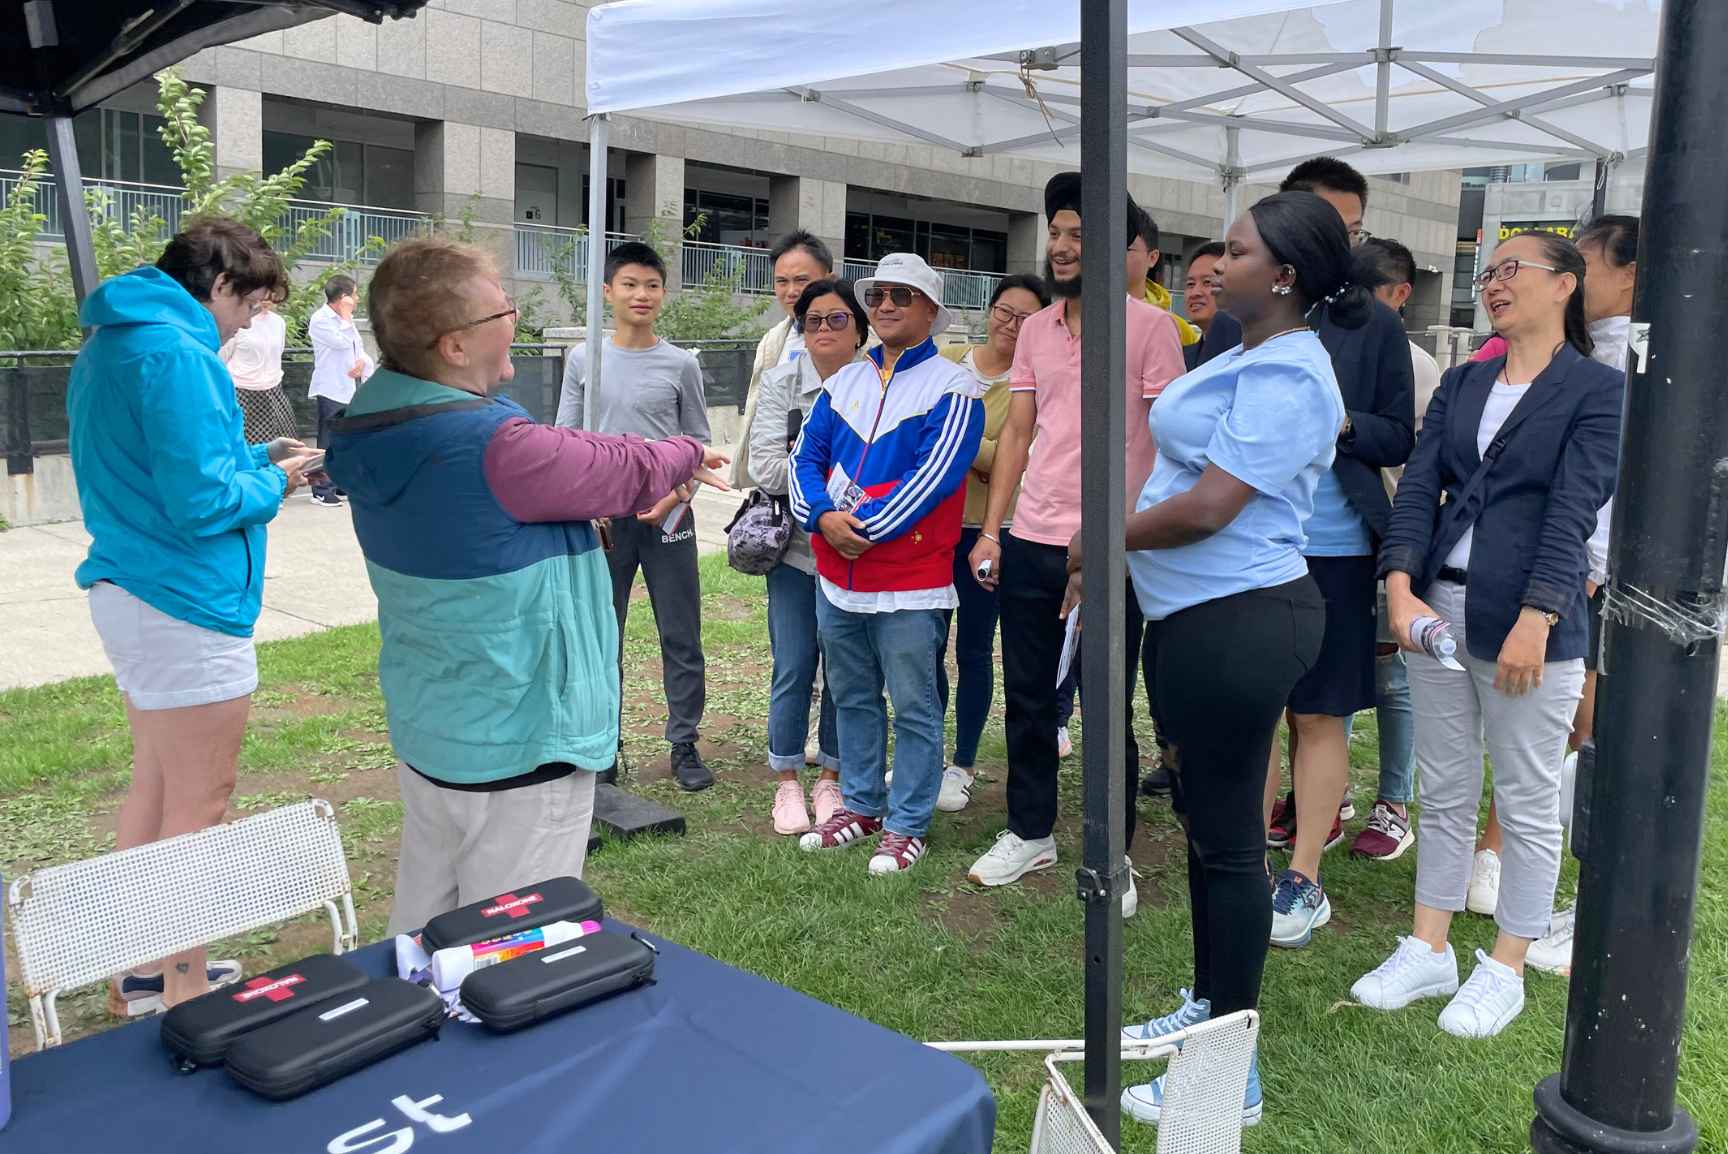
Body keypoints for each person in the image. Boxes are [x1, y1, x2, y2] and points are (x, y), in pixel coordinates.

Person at [324, 237, 726, 933]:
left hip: (439, 729)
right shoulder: (487, 442)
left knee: (427, 924)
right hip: (521, 739)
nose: (516, 320)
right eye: (503, 311)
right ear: (453, 345)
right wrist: (688, 451)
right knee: (513, 949)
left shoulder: (370, 420)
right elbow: (617, 467)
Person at [1098, 190, 1361, 1127]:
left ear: (1283, 274)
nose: (1219, 261)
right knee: (1213, 842)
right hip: (1199, 618)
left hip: (1239, 617)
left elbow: (1211, 507)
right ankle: (1209, 1013)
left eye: (1238, 251)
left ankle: (1230, 1072)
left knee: (1230, 848)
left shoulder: (1292, 376)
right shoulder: (1252, 356)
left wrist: (1105, 537)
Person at [1352, 231, 1622, 1038]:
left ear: (1565, 285)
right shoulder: (1466, 382)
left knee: (1528, 797)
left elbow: (1576, 511)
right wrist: (1401, 589)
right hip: (1438, 608)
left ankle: (1506, 962)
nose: (1495, 284)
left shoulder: (1597, 390)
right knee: (1443, 786)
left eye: (1513, 270)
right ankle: (1428, 943)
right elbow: (1421, 487)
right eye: (1489, 272)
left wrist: (1539, 618)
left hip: (1531, 620)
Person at [67, 217, 316, 1014]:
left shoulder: (117, 341)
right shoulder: (179, 356)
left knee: (157, 787)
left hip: (135, 591)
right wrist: (279, 485)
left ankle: (137, 969)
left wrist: (261, 459)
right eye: (249, 307)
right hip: (183, 599)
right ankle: (183, 984)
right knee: (203, 801)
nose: (247, 325)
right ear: (218, 287)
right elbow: (204, 502)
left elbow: (176, 467)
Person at [965, 172, 1186, 909]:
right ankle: (1030, 831)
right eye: (1055, 234)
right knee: (1026, 694)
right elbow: (1020, 433)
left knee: (1105, 704)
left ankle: (1110, 851)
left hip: (1113, 549)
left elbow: (1159, 446)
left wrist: (1112, 542)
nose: (1060, 248)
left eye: (1077, 235)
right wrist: (993, 529)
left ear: (1120, 248)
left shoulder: (1152, 329)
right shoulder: (1035, 329)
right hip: (1031, 537)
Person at [790, 252, 983, 875]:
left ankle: (907, 823)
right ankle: (865, 804)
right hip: (835, 574)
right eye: (877, 297)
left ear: (931, 309)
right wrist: (821, 518)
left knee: (915, 703)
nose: (886, 306)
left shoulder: (953, 386)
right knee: (850, 694)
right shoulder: (841, 381)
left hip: (909, 579)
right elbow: (804, 460)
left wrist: (859, 529)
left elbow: (933, 479)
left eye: (902, 295)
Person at [1263, 158, 1415, 948]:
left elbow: (1399, 433)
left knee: (1320, 713)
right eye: (1325, 221)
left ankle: (1303, 875)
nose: (1337, 241)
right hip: (1250, 544)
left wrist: (1338, 422)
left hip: (1336, 547)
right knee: (1258, 710)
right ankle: (1245, 863)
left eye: (1349, 229)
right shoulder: (1243, 306)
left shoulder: (1373, 324)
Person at [1518, 212, 1637, 975]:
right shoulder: (1600, 351)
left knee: (1601, 741)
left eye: (1583, 265)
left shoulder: (1630, 358)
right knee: (1585, 737)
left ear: (1629, 272)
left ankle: (1598, 901)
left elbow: (1608, 485)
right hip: (1591, 568)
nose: (1571, 280)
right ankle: (1591, 896)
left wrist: (1582, 567)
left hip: (1601, 572)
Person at [556, 242, 716, 791]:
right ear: (608, 292)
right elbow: (567, 440)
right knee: (604, 634)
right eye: (629, 284)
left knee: (681, 631)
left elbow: (697, 441)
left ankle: (684, 744)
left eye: (651, 285)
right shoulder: (584, 359)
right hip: (604, 521)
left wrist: (673, 497)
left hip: (669, 516)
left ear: (663, 293)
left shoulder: (681, 364)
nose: (640, 295)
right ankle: (604, 748)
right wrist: (589, 500)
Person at [748, 277, 867, 834]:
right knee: (793, 664)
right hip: (797, 550)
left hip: (854, 553)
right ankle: (788, 780)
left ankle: (832, 779)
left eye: (836, 318)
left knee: (846, 669)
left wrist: (810, 473)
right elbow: (763, 466)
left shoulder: (876, 386)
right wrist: (824, 480)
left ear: (860, 330)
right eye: (812, 320)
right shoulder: (779, 382)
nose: (823, 329)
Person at [934, 273, 1051, 812]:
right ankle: (928, 751)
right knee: (925, 644)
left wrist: (964, 444)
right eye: (1005, 311)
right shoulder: (947, 356)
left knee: (975, 649)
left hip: (991, 534)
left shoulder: (1033, 382)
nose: (1011, 325)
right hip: (931, 528)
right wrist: (988, 451)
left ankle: (962, 763)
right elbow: (923, 428)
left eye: (1026, 318)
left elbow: (1018, 458)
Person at [1347, 237, 1444, 862]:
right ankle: (1324, 801)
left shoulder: (1417, 364)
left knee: (1391, 673)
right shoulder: (1331, 344)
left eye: (1367, 293)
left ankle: (1393, 800)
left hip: (1388, 536)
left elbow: (1421, 466)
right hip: (1335, 533)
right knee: (1329, 671)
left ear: (1400, 294)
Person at [731, 231, 834, 490]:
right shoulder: (773, 340)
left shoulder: (862, 341)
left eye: (802, 280)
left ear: (829, 279)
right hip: (779, 482)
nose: (792, 291)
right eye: (782, 281)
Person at [307, 275, 375, 507]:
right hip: (331, 387)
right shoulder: (320, 319)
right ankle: (320, 488)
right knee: (327, 439)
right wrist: (346, 317)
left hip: (350, 386)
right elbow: (342, 343)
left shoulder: (347, 320)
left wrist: (362, 362)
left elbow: (358, 347)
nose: (356, 300)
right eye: (353, 295)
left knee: (347, 437)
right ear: (343, 298)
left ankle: (340, 482)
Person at [221, 293, 295, 444]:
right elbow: (222, 358)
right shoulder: (240, 322)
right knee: (241, 446)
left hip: (273, 392)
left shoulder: (278, 322)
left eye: (272, 295)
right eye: (264, 294)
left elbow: (277, 355)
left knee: (283, 448)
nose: (267, 300)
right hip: (241, 393)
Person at [1182, 241, 1228, 370]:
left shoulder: (1250, 355)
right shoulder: (1179, 358)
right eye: (1190, 284)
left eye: (1207, 282)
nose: (1195, 293)